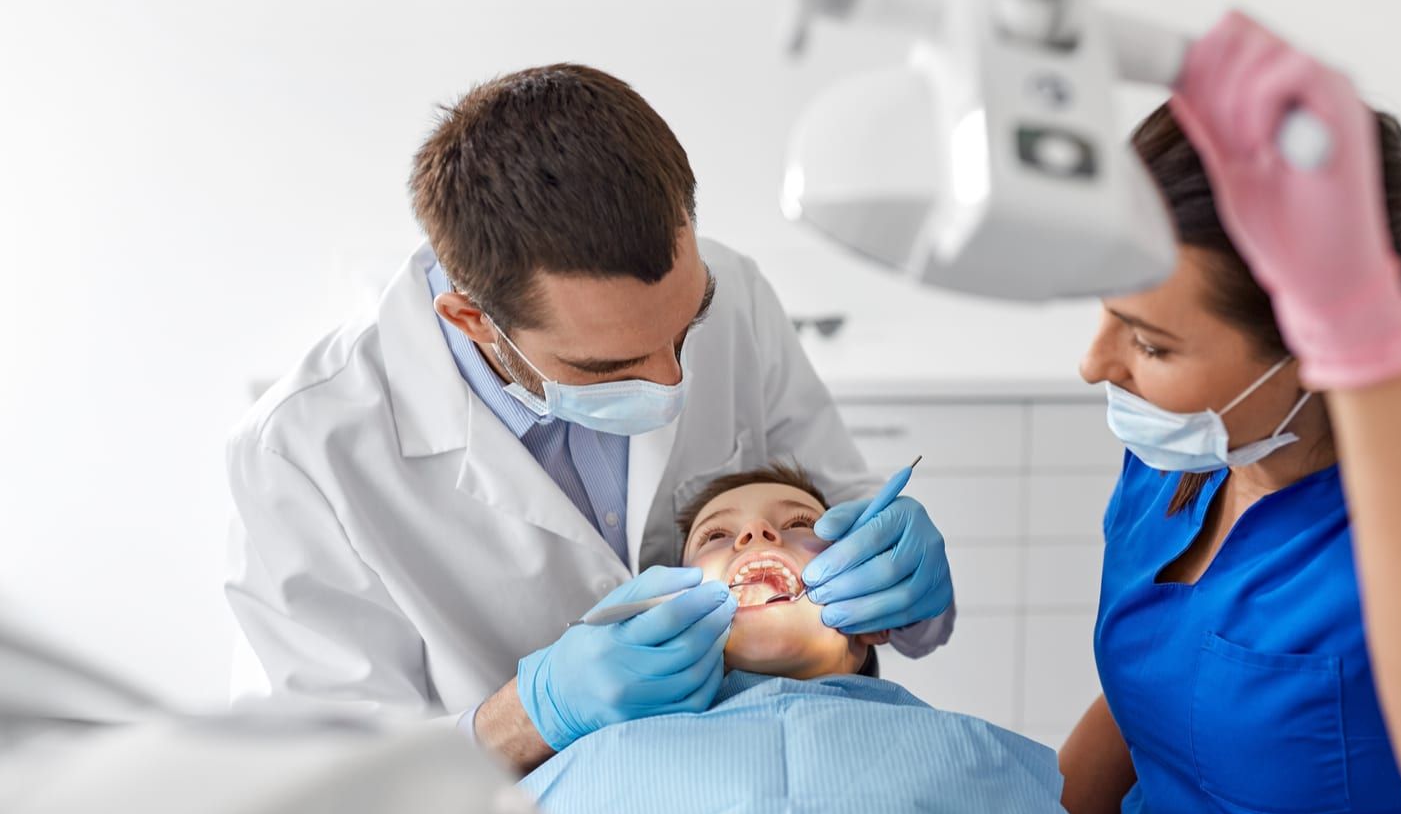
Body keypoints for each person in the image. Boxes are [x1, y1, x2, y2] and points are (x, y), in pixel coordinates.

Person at [223, 64, 955, 773]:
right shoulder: (301, 452)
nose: (672, 382)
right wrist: (530, 715)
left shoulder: (735, 289)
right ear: (472, 318)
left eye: (688, 329)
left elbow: (843, 512)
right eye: (609, 369)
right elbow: (320, 790)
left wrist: (901, 586)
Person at [1056, 13, 1401, 814]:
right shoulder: (1180, 462)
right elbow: (1161, 689)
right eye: (1105, 312)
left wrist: (1364, 333)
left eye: (1150, 343)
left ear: (1311, 350)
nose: (1095, 364)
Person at [520, 464, 1082, 814]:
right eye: (715, 536)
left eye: (798, 526)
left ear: (875, 621)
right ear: (664, 610)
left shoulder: (979, 756)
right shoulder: (585, 763)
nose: (758, 533)